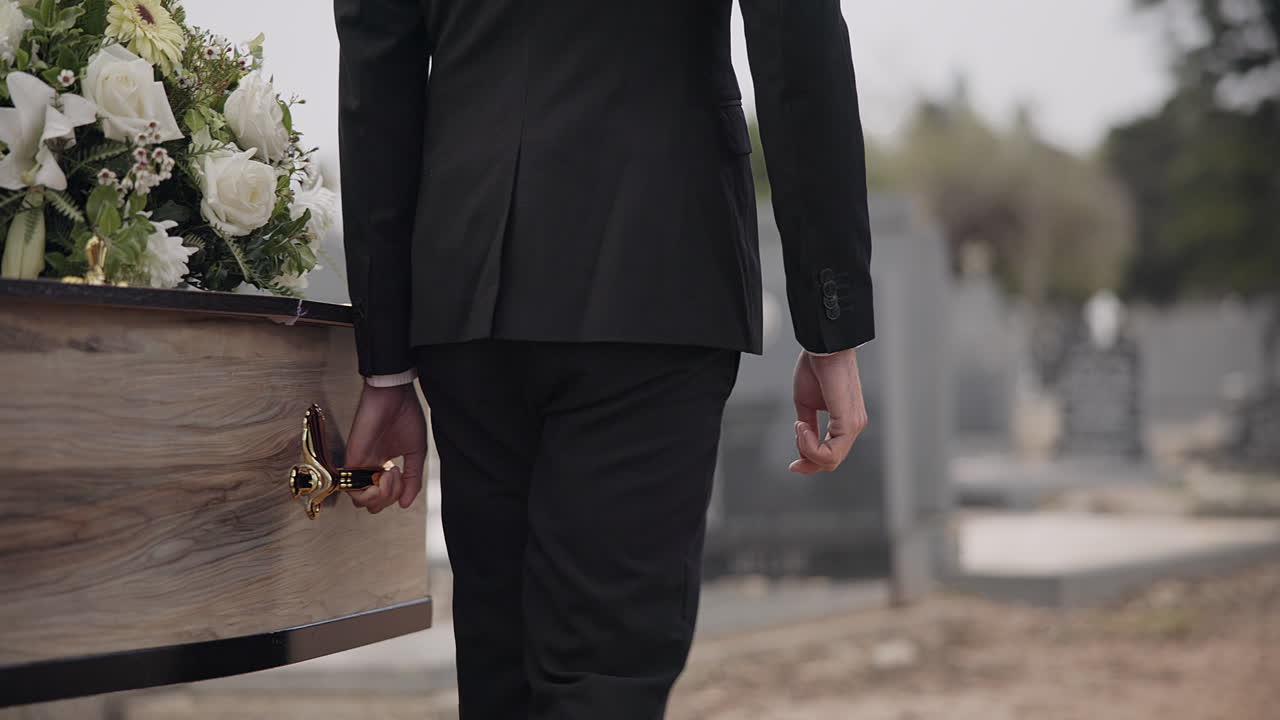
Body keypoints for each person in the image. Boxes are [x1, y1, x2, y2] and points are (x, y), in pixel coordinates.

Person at [333, 2, 873, 718]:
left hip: (469, 284)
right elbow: (795, 42)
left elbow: (376, 68)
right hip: (654, 273)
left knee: (502, 677)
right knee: (606, 676)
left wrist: (387, 363)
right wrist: (828, 320)